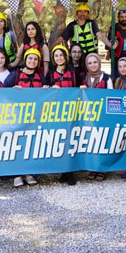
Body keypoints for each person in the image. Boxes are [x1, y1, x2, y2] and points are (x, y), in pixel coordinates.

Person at [5, 49, 46, 188]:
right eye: (30, 59)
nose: (32, 61)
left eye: (35, 59)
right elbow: (2, 93)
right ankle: (16, 174)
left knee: (31, 145)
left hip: (35, 118)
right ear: (25, 60)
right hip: (17, 117)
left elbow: (47, 94)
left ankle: (29, 173)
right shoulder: (15, 75)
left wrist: (48, 89)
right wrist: (12, 91)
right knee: (17, 145)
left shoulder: (41, 77)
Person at [45, 44, 79, 186]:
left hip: (71, 111)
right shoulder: (50, 74)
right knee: (60, 141)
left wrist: (81, 88)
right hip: (56, 112)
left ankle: (70, 172)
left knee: (71, 141)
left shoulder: (74, 73)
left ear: (66, 57)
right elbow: (44, 91)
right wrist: (49, 89)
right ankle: (63, 170)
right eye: (56, 56)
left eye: (61, 55)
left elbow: (81, 88)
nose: (59, 58)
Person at [80, 52, 112, 181]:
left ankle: (102, 169)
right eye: (89, 63)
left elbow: (111, 96)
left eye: (95, 62)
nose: (92, 65)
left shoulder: (106, 78)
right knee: (91, 141)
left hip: (102, 115)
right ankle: (93, 167)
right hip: (88, 115)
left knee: (102, 141)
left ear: (99, 63)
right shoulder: (82, 78)